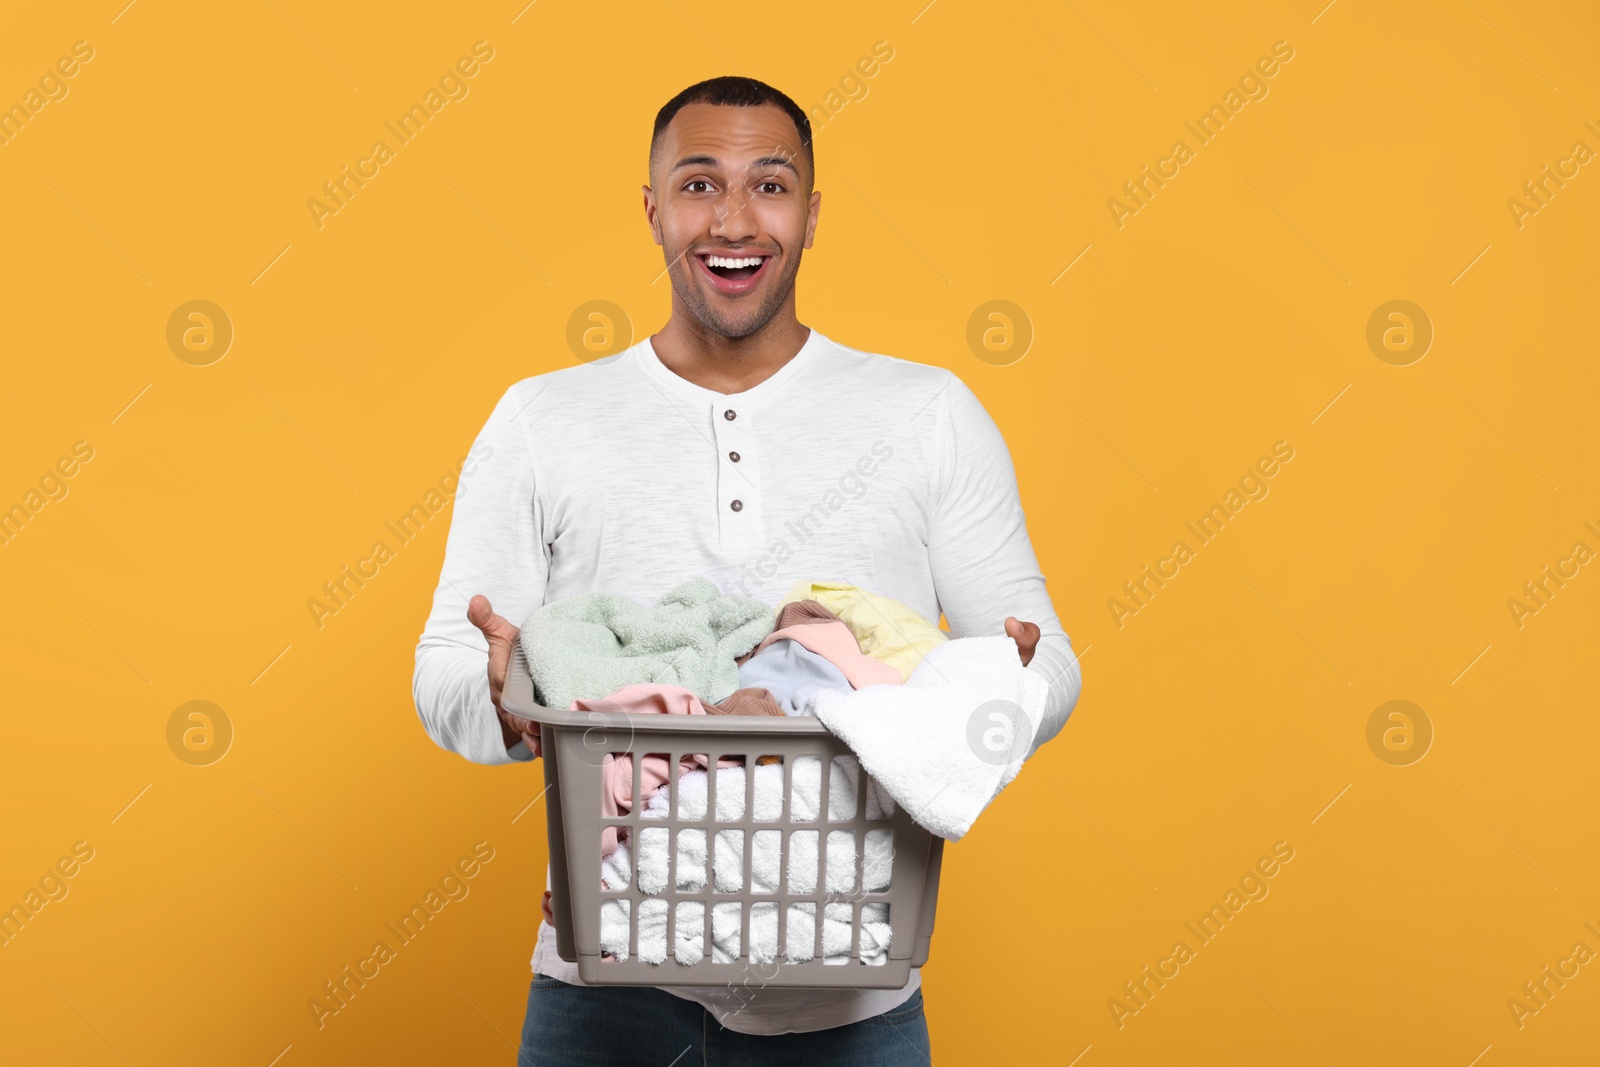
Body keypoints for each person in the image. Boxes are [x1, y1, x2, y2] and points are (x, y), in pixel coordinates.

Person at [411, 74, 1083, 1065]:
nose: (733, 219)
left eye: (769, 186)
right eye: (697, 185)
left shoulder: (927, 411)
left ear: (811, 215)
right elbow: (439, 676)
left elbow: (1049, 665)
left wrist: (990, 685)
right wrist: (511, 695)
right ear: (651, 211)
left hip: (852, 993)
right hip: (605, 988)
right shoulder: (540, 420)